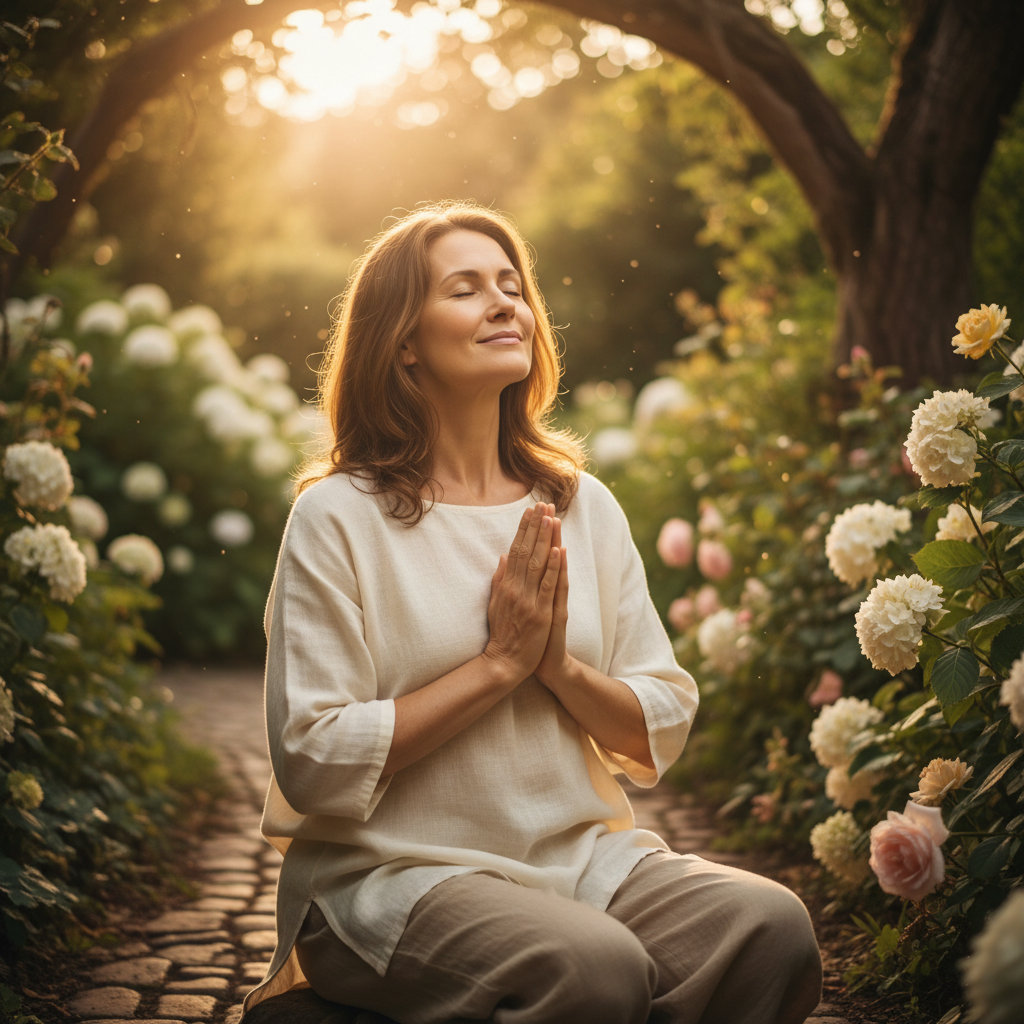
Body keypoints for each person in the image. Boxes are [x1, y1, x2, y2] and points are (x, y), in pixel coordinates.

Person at [242, 202, 823, 1024]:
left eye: (512, 287)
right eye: (465, 289)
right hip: (392, 876)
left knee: (771, 930)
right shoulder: (338, 517)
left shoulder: (582, 506)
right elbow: (313, 755)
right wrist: (498, 667)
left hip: (580, 862)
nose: (503, 304)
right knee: (594, 969)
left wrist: (556, 668)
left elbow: (658, 716)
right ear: (403, 341)